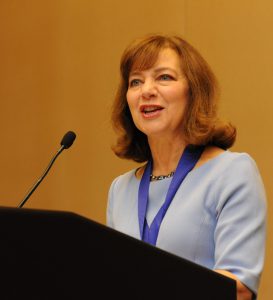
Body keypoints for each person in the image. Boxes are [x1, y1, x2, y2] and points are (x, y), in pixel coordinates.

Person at [107, 34, 267, 300]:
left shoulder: (232, 172)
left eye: (164, 77)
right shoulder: (120, 189)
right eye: (136, 81)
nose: (146, 90)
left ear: (193, 91)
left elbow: (237, 288)